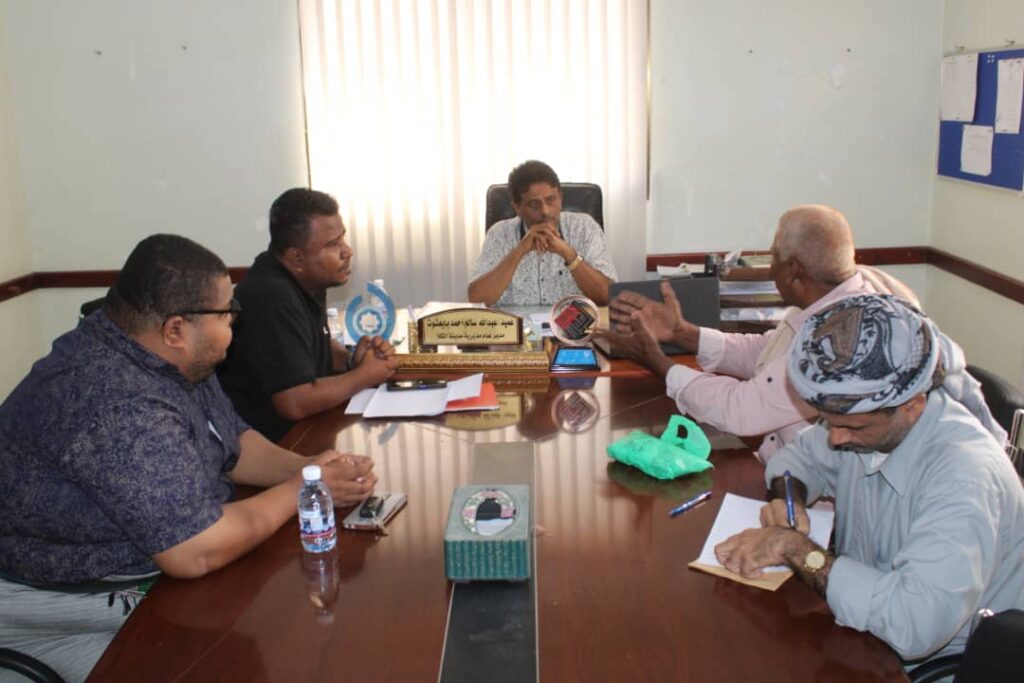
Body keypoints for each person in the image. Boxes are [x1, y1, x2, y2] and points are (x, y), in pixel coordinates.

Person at [0, 235, 377, 682]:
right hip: (73, 604)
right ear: (175, 330)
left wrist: (309, 468)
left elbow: (232, 442)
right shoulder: (112, 399)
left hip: (151, 570)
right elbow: (194, 550)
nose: (235, 322)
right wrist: (302, 490)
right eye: (227, 313)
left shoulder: (163, 354)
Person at [713, 294, 1020, 664]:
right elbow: (798, 458)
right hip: (861, 632)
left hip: (934, 665)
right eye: (830, 422)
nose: (835, 438)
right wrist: (787, 496)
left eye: (851, 427)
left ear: (913, 405)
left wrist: (798, 550)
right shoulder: (870, 416)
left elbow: (913, 626)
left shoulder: (965, 480)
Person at [606, 204, 920, 462]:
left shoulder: (844, 341)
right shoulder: (832, 297)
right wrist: (683, 333)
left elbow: (741, 409)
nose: (770, 268)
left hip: (817, 496)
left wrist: (656, 361)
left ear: (793, 270)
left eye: (773, 256)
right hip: (782, 465)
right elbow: (767, 351)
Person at [219, 188, 398, 441]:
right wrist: (364, 375)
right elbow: (294, 402)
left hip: (305, 428)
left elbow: (312, 343)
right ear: (296, 257)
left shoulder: (304, 277)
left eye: (342, 238)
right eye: (332, 244)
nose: (347, 251)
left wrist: (351, 361)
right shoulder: (272, 296)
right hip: (276, 444)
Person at [468, 160, 617, 306]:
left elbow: (607, 297)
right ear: (517, 208)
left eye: (550, 200)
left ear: (560, 197)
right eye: (534, 204)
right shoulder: (499, 234)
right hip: (517, 322)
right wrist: (520, 250)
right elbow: (476, 299)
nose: (545, 211)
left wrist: (568, 254)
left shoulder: (584, 228)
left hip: (572, 322)